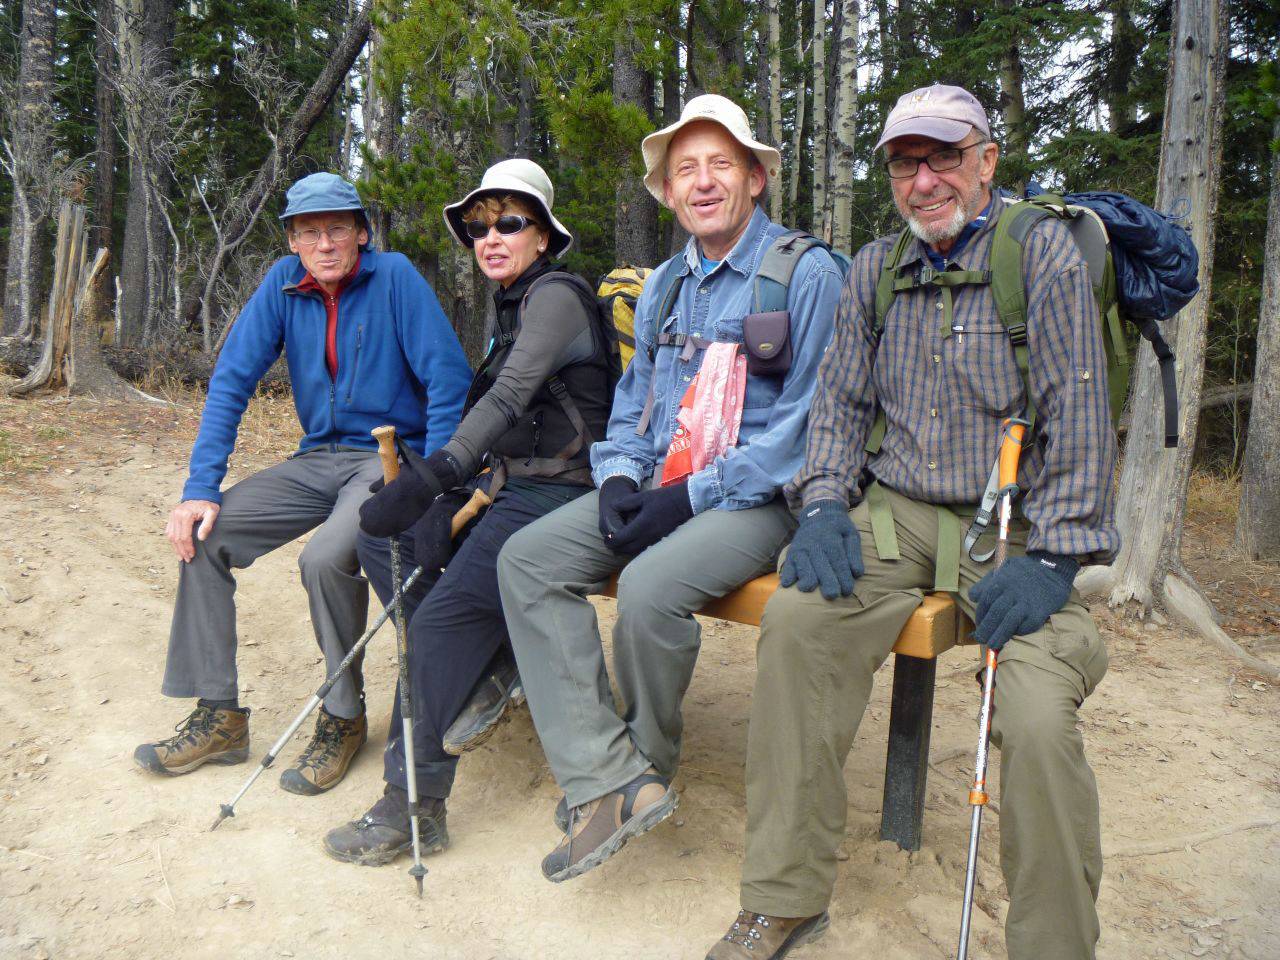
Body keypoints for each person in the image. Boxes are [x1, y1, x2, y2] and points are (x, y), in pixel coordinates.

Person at [708, 84, 1117, 960]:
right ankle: (784, 897)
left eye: (943, 158)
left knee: (1038, 718)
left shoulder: (1040, 255)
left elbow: (1081, 417)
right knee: (798, 627)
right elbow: (839, 406)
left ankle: (1054, 947)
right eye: (904, 163)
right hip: (895, 514)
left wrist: (1055, 560)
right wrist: (824, 503)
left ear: (986, 161)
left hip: (1015, 529)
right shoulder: (875, 268)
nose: (924, 180)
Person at [497, 95, 843, 884]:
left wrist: (684, 499)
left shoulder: (806, 274)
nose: (704, 181)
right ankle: (611, 775)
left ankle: (646, 759)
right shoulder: (664, 286)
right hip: (660, 482)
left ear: (755, 178)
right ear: (669, 191)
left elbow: (805, 433)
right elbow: (633, 407)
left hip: (762, 498)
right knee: (527, 560)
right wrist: (619, 480)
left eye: (722, 164)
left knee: (649, 588)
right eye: (686, 169)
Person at [133, 173, 472, 797]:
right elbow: (232, 380)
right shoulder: (283, 285)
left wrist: (436, 483)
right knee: (205, 536)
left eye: (337, 228)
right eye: (309, 231)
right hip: (317, 458)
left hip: (388, 457)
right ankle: (220, 716)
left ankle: (343, 715)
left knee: (324, 558)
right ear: (292, 240)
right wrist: (200, 486)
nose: (324, 243)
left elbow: (449, 380)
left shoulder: (395, 278)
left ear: (361, 232)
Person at [321, 159, 620, 866]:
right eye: (479, 227)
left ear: (542, 237)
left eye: (509, 223)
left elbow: (510, 397)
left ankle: (413, 805)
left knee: (436, 626)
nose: (491, 237)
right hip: (511, 487)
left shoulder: (556, 298)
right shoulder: (511, 305)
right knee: (384, 544)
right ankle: (495, 658)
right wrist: (450, 495)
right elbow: (502, 425)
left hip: (563, 496)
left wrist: (437, 476)